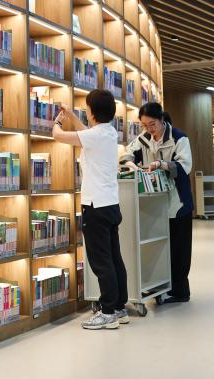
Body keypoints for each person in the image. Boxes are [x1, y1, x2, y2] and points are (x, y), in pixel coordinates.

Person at [52, 89, 129, 329]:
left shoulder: (95, 136)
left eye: (86, 108)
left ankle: (107, 312)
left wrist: (57, 121)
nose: (85, 111)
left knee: (100, 262)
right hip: (111, 205)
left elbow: (58, 136)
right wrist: (72, 115)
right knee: (114, 259)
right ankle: (119, 308)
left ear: (93, 112)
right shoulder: (108, 133)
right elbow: (85, 132)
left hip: (95, 206)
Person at [121, 102, 194, 302]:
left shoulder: (179, 138)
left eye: (152, 124)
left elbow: (184, 166)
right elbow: (127, 154)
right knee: (158, 247)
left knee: (179, 249)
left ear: (162, 120)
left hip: (177, 203)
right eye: (145, 125)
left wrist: (163, 164)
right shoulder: (143, 139)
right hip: (154, 205)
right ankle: (160, 287)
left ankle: (180, 291)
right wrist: (131, 164)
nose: (149, 129)